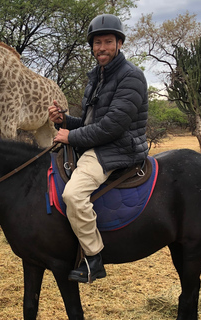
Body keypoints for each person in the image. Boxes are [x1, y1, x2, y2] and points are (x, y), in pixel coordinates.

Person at [48, 14, 148, 283]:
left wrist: (71, 136)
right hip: (101, 142)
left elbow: (112, 127)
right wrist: (65, 122)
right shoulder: (97, 77)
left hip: (118, 148)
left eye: (108, 42)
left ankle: (94, 258)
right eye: (97, 43)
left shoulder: (132, 77)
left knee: (73, 195)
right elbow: (90, 123)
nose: (101, 48)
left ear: (119, 44)